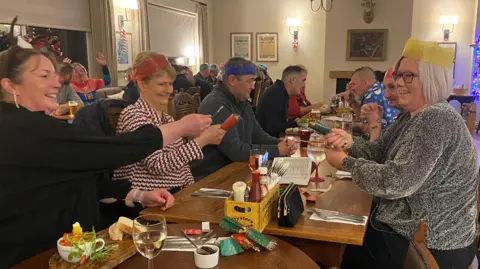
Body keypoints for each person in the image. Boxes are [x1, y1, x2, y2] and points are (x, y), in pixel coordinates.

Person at [0, 18, 213, 268]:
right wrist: (180, 129)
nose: (57, 83)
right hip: (32, 255)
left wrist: (136, 193)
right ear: (10, 85)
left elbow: (82, 171)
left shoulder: (34, 126)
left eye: (55, 75)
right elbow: (110, 151)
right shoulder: (20, 129)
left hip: (71, 249)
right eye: (44, 75)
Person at [325, 38, 478, 269]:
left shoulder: (436, 118)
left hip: (432, 242)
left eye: (409, 76)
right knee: (349, 240)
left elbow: (396, 182)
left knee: (347, 249)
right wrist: (349, 142)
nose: (399, 82)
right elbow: (378, 151)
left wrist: (346, 163)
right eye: (398, 75)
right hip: (408, 227)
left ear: (431, 78)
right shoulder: (411, 115)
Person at [114, 52, 226, 193]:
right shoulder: (133, 115)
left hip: (172, 194)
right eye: (162, 84)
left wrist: (192, 191)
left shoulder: (167, 119)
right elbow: (158, 165)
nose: (169, 90)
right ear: (142, 84)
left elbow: (182, 167)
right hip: (147, 199)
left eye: (170, 84)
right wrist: (203, 140)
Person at [191, 57, 297, 178]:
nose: (253, 86)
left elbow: (257, 134)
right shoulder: (216, 104)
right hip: (214, 176)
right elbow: (236, 151)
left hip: (237, 168)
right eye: (249, 81)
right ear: (232, 80)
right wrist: (277, 150)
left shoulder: (240, 100)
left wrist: (280, 143)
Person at [255, 65, 306, 137]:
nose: (304, 85)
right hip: (267, 144)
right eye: (303, 80)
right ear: (292, 80)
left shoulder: (279, 90)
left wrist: (295, 122)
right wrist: (296, 123)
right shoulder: (276, 94)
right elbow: (273, 128)